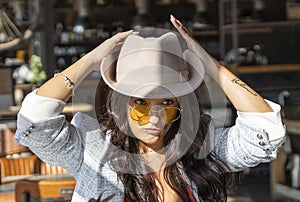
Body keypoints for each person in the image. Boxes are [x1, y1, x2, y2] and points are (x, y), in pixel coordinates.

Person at [15, 15, 286, 202]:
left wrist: (208, 62)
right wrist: (92, 59)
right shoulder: (92, 150)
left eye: (167, 104)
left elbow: (265, 130)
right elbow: (34, 121)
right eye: (140, 105)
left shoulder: (202, 149)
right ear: (121, 106)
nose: (155, 118)